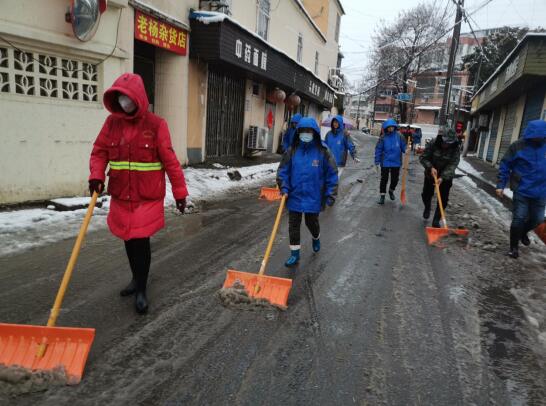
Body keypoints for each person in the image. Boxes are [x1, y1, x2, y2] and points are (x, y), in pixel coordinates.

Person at [89, 73, 188, 314]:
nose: (124, 102)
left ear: (139, 98)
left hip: (147, 196)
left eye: (127, 97)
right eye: (120, 97)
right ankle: (135, 278)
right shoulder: (111, 123)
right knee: (128, 239)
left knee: (140, 241)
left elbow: (170, 161)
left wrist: (180, 192)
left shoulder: (156, 125)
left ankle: (142, 288)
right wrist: (96, 176)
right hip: (121, 194)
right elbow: (99, 151)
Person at [277, 117, 338, 267]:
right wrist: (284, 187)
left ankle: (316, 237)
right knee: (293, 225)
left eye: (308, 131)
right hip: (294, 195)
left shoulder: (323, 151)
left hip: (313, 196)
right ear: (298, 132)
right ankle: (295, 254)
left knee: (311, 222)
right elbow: (283, 171)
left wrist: (331, 194)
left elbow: (332, 173)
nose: (305, 134)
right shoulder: (292, 151)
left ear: (314, 132)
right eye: (302, 131)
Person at [496, 119, 546, 259]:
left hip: (541, 191)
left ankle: (523, 232)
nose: (537, 139)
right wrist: (500, 185)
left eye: (540, 136)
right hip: (522, 189)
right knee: (519, 218)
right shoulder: (518, 146)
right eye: (535, 136)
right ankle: (513, 248)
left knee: (537, 219)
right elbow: (505, 164)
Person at [419, 127, 461, 227]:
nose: (447, 144)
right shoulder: (433, 143)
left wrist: (442, 177)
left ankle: (436, 220)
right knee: (426, 194)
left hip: (446, 176)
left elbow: (453, 164)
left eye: (450, 142)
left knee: (443, 199)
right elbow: (423, 158)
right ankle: (427, 207)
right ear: (441, 137)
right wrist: (430, 167)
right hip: (431, 173)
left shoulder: (455, 147)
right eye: (446, 142)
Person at [374, 118, 406, 204]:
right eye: (389, 127)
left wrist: (407, 149)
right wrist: (377, 162)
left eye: (392, 127)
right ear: (386, 128)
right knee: (384, 179)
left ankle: (391, 190)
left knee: (395, 179)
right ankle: (382, 196)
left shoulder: (400, 136)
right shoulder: (383, 137)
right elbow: (378, 149)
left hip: (396, 162)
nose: (390, 128)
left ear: (395, 127)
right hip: (385, 161)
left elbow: (404, 147)